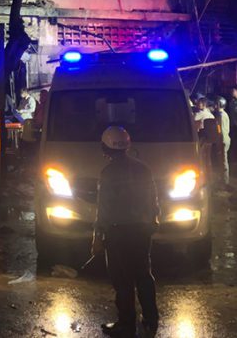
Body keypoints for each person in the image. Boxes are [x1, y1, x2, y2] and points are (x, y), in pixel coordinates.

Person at [90, 126, 159, 337]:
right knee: (143, 274)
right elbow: (153, 200)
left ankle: (126, 324)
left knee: (123, 280)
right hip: (141, 230)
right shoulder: (143, 168)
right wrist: (152, 222)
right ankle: (151, 319)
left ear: (106, 147)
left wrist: (98, 237)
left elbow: (104, 209)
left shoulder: (108, 173)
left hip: (118, 232)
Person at [214, 97, 231, 188]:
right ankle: (222, 179)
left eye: (216, 104)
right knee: (221, 160)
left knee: (223, 161)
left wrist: (221, 141)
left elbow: (221, 130)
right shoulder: (222, 114)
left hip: (223, 139)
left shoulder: (221, 115)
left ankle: (225, 182)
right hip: (222, 139)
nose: (215, 106)